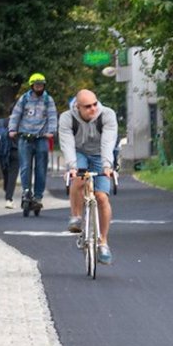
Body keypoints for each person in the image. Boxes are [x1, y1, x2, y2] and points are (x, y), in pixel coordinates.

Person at [59, 88, 119, 264]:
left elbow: (108, 142)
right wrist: (71, 167)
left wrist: (108, 166)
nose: (93, 109)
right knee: (80, 177)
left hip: (100, 154)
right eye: (87, 106)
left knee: (102, 197)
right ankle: (76, 217)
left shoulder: (107, 115)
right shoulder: (67, 118)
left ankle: (103, 242)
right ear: (78, 107)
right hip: (79, 153)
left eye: (95, 104)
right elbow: (67, 144)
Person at [8, 73, 58, 209]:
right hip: (25, 138)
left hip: (41, 138)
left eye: (41, 85)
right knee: (25, 167)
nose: (39, 87)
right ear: (32, 86)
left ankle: (38, 196)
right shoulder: (24, 99)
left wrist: (51, 132)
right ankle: (26, 192)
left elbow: (53, 117)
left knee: (41, 169)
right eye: (36, 85)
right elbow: (15, 115)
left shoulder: (48, 100)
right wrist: (12, 129)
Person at [0, 116, 20, 206]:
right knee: (12, 175)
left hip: (2, 152)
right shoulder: (19, 123)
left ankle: (6, 188)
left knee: (6, 172)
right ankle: (9, 198)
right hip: (15, 150)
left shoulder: (1, 122)